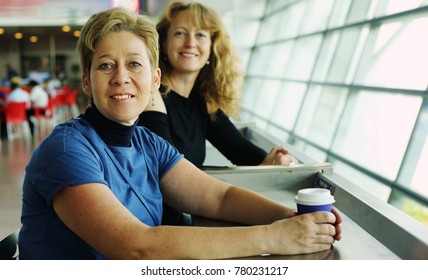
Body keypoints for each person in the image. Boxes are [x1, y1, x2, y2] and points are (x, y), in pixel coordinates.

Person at [19, 7, 341, 260]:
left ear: (155, 79)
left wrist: (291, 218)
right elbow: (134, 247)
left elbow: (218, 197)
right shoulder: (66, 149)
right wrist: (275, 237)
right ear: (87, 82)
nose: (121, 78)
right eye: (105, 65)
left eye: (134, 64)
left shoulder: (148, 144)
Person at [138, 1, 299, 225]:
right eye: (180, 33)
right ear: (163, 43)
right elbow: (168, 173)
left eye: (201, 35)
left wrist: (275, 159)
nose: (190, 43)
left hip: (181, 218)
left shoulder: (202, 101)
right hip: (150, 224)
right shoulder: (151, 95)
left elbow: (240, 149)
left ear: (213, 46)